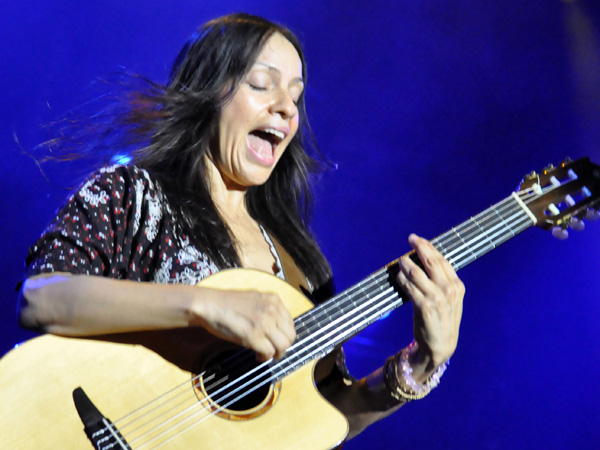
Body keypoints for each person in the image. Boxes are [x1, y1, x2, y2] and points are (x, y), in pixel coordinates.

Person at [18, 13, 464, 443]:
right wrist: (205, 304)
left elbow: (319, 418)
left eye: (296, 95)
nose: (287, 108)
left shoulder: (299, 263)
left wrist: (420, 364)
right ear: (209, 91)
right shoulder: (132, 193)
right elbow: (42, 298)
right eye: (261, 84)